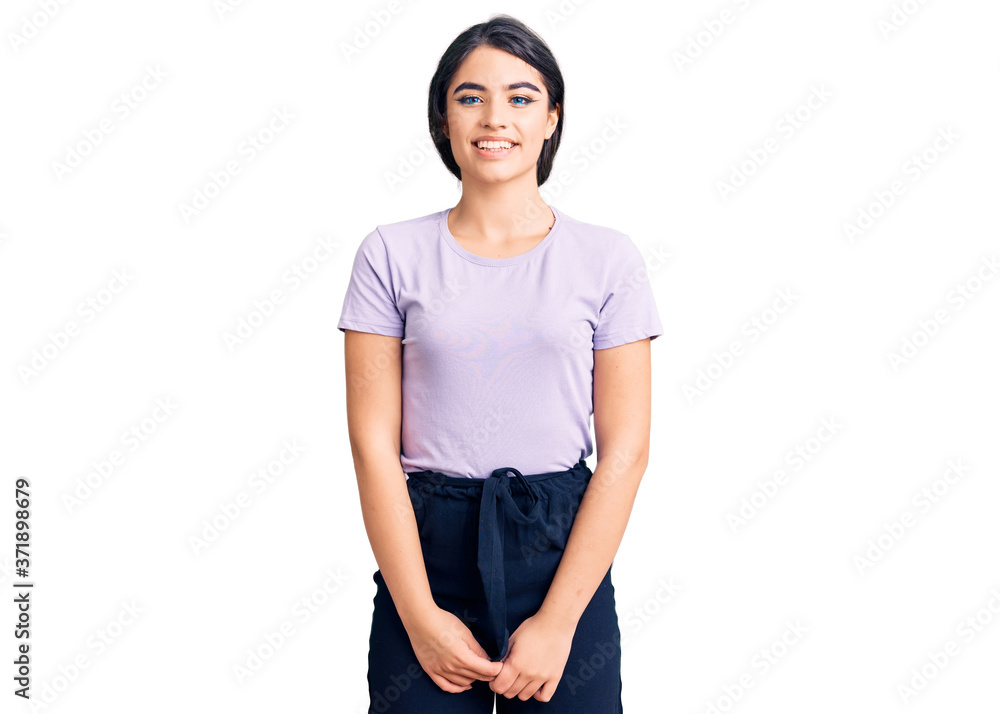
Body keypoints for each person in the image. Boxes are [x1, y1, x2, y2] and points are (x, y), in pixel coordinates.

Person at [338, 14, 662, 713]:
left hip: (559, 551)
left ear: (552, 119)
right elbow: (371, 446)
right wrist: (419, 618)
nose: (495, 117)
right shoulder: (389, 254)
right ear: (443, 117)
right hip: (424, 553)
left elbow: (627, 451)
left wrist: (557, 622)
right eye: (469, 96)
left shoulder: (608, 259)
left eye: (520, 97)